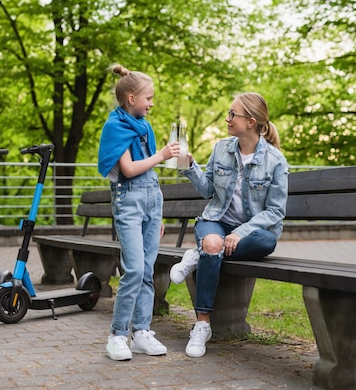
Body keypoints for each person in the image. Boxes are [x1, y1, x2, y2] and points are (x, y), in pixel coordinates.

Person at [170, 92, 289, 357]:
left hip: (251, 234)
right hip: (216, 221)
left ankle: (198, 255)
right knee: (212, 242)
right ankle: (202, 326)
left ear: (250, 121)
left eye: (232, 114)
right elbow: (207, 190)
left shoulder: (275, 160)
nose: (227, 118)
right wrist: (190, 166)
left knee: (266, 241)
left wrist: (241, 231)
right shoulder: (221, 147)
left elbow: (276, 211)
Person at [98, 64, 181, 361]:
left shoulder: (144, 125)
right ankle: (118, 335)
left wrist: (158, 215)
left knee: (147, 269)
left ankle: (142, 332)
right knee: (133, 269)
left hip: (150, 201)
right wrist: (161, 156)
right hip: (129, 201)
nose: (152, 103)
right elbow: (130, 169)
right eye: (148, 98)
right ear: (131, 98)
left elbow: (150, 176)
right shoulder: (115, 127)